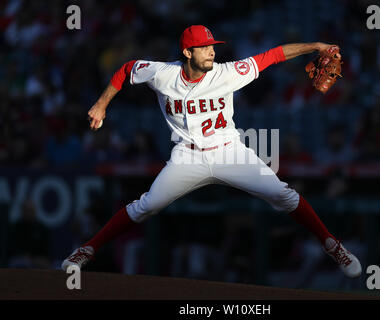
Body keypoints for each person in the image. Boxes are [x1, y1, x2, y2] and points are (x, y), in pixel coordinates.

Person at [62, 25, 361, 279]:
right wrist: (102, 104)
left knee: (283, 195)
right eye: (205, 47)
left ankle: (333, 245)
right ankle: (87, 249)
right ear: (188, 53)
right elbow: (127, 70)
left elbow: (274, 55)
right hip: (187, 156)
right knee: (148, 205)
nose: (212, 51)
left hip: (228, 151)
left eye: (212, 46)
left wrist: (315, 46)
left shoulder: (227, 73)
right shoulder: (162, 74)